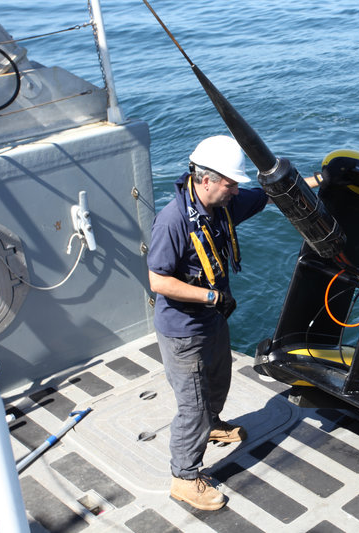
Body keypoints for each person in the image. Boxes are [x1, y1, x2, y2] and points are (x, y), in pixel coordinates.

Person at [147, 135, 269, 511]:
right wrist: (211, 296)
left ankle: (213, 424)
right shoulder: (172, 221)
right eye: (231, 183)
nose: (237, 190)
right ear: (205, 179)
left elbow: (265, 196)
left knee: (219, 378)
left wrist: (310, 181)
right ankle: (185, 478)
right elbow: (158, 280)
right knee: (192, 407)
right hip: (184, 331)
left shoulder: (221, 206)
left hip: (213, 320)